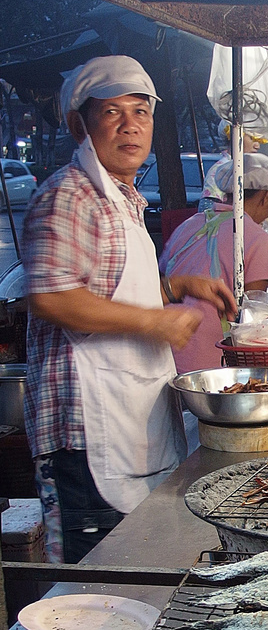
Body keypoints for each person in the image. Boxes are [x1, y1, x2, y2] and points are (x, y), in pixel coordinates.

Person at [21, 55, 237, 562]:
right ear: (80, 124)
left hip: (125, 414)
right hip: (83, 432)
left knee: (134, 570)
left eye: (140, 112)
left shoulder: (122, 197)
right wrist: (152, 321)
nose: (130, 126)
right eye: (112, 112)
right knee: (92, 586)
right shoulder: (71, 195)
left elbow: (108, 289)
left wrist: (175, 286)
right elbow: (51, 296)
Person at [159, 152, 268, 373]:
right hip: (211, 364)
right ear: (266, 196)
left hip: (162, 352)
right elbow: (253, 314)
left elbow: (161, 282)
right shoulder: (257, 238)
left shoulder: (187, 226)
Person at [198, 119, 260, 212]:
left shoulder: (249, 168)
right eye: (252, 138)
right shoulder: (220, 169)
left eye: (259, 140)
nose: (257, 146)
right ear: (235, 137)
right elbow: (206, 210)